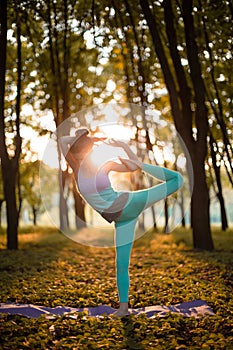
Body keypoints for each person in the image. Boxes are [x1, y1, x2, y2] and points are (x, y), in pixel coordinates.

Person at [59, 127, 184, 316]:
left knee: (177, 179)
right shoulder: (76, 168)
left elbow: (132, 167)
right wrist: (84, 136)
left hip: (129, 203)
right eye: (84, 149)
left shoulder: (104, 165)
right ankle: (123, 309)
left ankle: (145, 165)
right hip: (122, 220)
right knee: (121, 263)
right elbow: (61, 141)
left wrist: (124, 146)